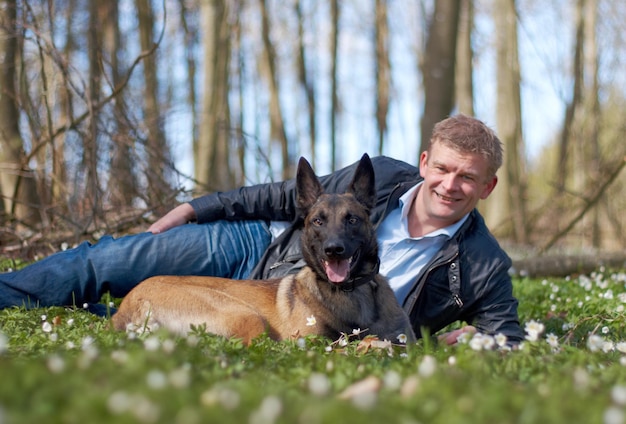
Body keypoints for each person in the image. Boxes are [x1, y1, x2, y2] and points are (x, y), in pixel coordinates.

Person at [0, 114, 524, 344]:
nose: (450, 185)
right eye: (444, 169)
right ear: (426, 161)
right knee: (106, 263)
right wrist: (197, 207)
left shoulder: (482, 265)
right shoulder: (383, 175)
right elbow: (283, 195)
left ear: (487, 187)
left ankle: (99, 319)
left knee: (135, 310)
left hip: (295, 306)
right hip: (258, 245)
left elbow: (509, 335)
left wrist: (481, 337)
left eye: (468, 178)